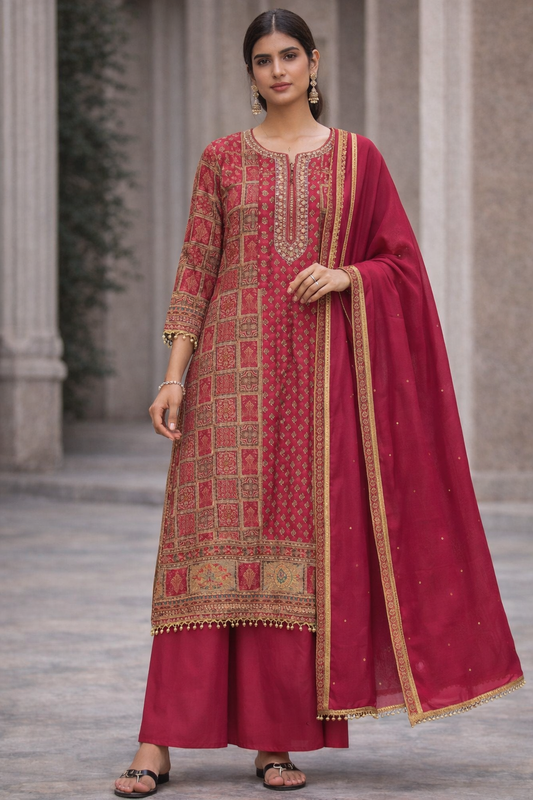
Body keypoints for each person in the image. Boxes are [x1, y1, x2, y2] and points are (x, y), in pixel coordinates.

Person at [114, 8, 523, 797]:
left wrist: (349, 277)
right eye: (263, 59)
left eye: (289, 55)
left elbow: (399, 263)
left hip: (315, 384)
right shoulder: (221, 160)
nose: (277, 70)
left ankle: (275, 739)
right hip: (228, 382)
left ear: (314, 61)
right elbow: (196, 269)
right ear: (250, 72)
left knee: (288, 560)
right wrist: (173, 375)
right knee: (201, 553)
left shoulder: (357, 160)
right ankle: (157, 739)